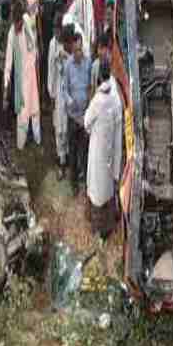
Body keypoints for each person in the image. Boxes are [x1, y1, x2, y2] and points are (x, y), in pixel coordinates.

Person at [84, 55, 123, 242]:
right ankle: (108, 227)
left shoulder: (98, 101)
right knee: (107, 190)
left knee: (96, 191)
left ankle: (98, 227)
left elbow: (86, 122)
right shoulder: (116, 99)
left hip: (97, 153)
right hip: (111, 153)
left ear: (99, 77)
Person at [2, 2, 41, 150]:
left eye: (19, 24)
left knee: (35, 109)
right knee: (23, 112)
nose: (18, 26)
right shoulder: (11, 34)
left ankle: (37, 138)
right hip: (21, 78)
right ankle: (21, 144)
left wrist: (34, 64)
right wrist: (6, 84)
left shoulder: (26, 22)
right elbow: (8, 61)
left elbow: (34, 46)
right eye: (16, 24)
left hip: (32, 73)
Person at [62, 28, 92, 194]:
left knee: (85, 152)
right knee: (72, 152)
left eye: (80, 49)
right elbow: (64, 89)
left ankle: (87, 184)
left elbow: (91, 87)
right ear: (72, 50)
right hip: (73, 117)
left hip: (86, 117)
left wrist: (88, 111)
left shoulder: (88, 63)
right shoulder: (67, 66)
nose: (78, 53)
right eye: (75, 51)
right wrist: (70, 101)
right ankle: (74, 184)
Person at [49, 22, 79, 178]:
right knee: (60, 129)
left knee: (69, 130)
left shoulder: (74, 55)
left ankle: (69, 160)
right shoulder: (58, 53)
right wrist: (52, 94)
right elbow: (53, 73)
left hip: (72, 98)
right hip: (61, 95)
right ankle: (61, 160)